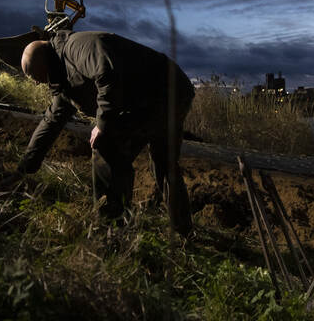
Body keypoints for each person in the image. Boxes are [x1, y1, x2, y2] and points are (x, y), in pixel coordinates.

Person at [15, 29, 195, 234]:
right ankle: (183, 231)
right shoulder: (62, 78)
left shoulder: (77, 47)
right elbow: (51, 121)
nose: (40, 83)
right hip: (167, 92)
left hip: (164, 91)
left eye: (40, 78)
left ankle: (111, 226)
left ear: (47, 64)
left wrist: (102, 124)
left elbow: (107, 74)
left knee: (107, 147)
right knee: (164, 162)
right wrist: (24, 167)